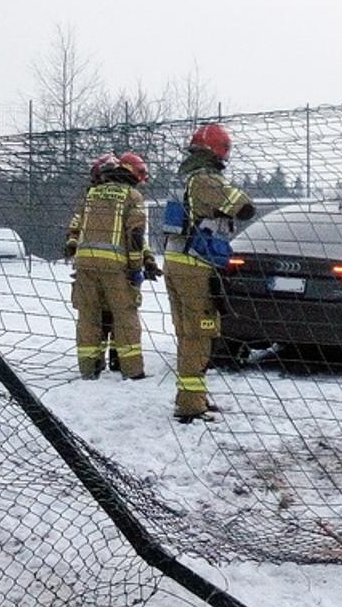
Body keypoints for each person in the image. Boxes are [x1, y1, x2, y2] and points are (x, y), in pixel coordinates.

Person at [161, 123, 255, 422]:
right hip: (195, 265)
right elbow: (244, 208)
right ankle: (190, 405)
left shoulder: (185, 178)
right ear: (218, 151)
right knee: (199, 335)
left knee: (188, 334)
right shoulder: (205, 180)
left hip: (177, 261)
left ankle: (193, 397)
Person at [64, 153, 149, 379]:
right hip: (115, 267)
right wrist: (136, 267)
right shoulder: (132, 196)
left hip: (84, 265)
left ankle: (89, 369)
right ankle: (132, 371)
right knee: (125, 317)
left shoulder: (92, 194)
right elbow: (135, 236)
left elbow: (76, 226)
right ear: (133, 173)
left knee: (89, 317)